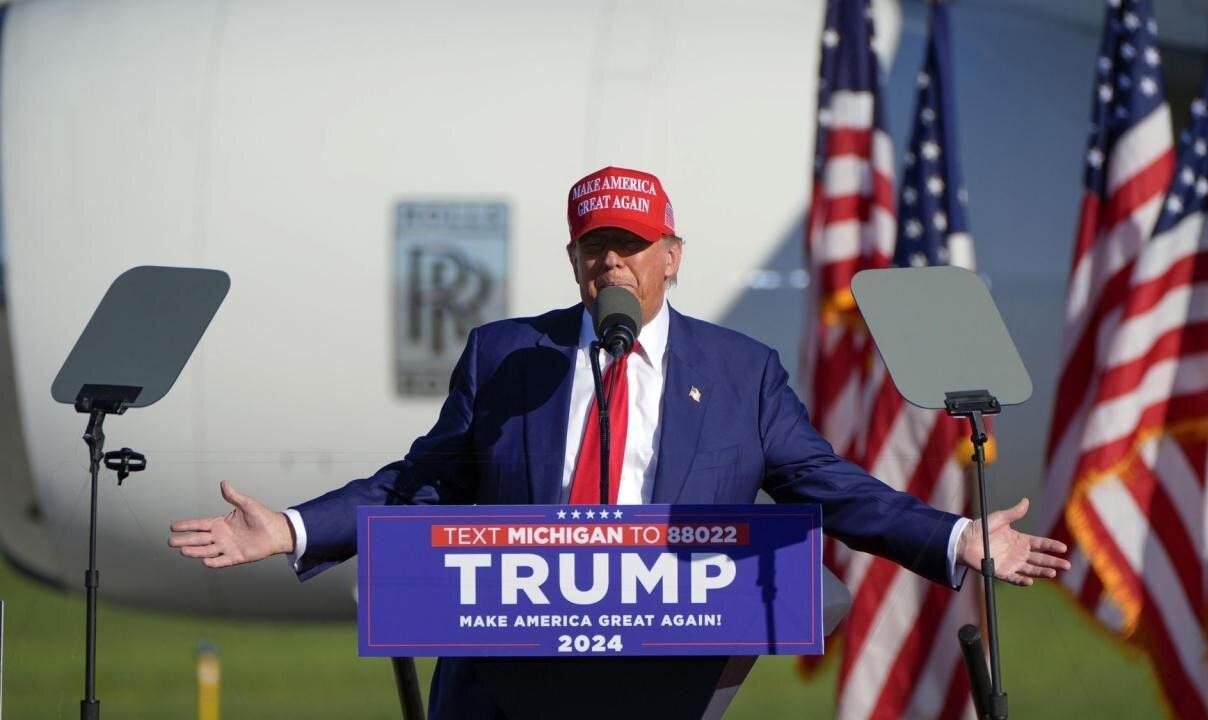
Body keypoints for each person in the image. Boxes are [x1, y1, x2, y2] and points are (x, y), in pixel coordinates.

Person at [170, 165, 1068, 716]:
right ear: (572, 259)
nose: (612, 262)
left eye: (631, 245)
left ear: (671, 255)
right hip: (505, 681)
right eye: (595, 245)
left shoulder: (742, 371)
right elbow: (421, 485)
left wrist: (958, 536)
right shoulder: (507, 357)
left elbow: (826, 487)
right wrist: (288, 528)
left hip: (663, 683)